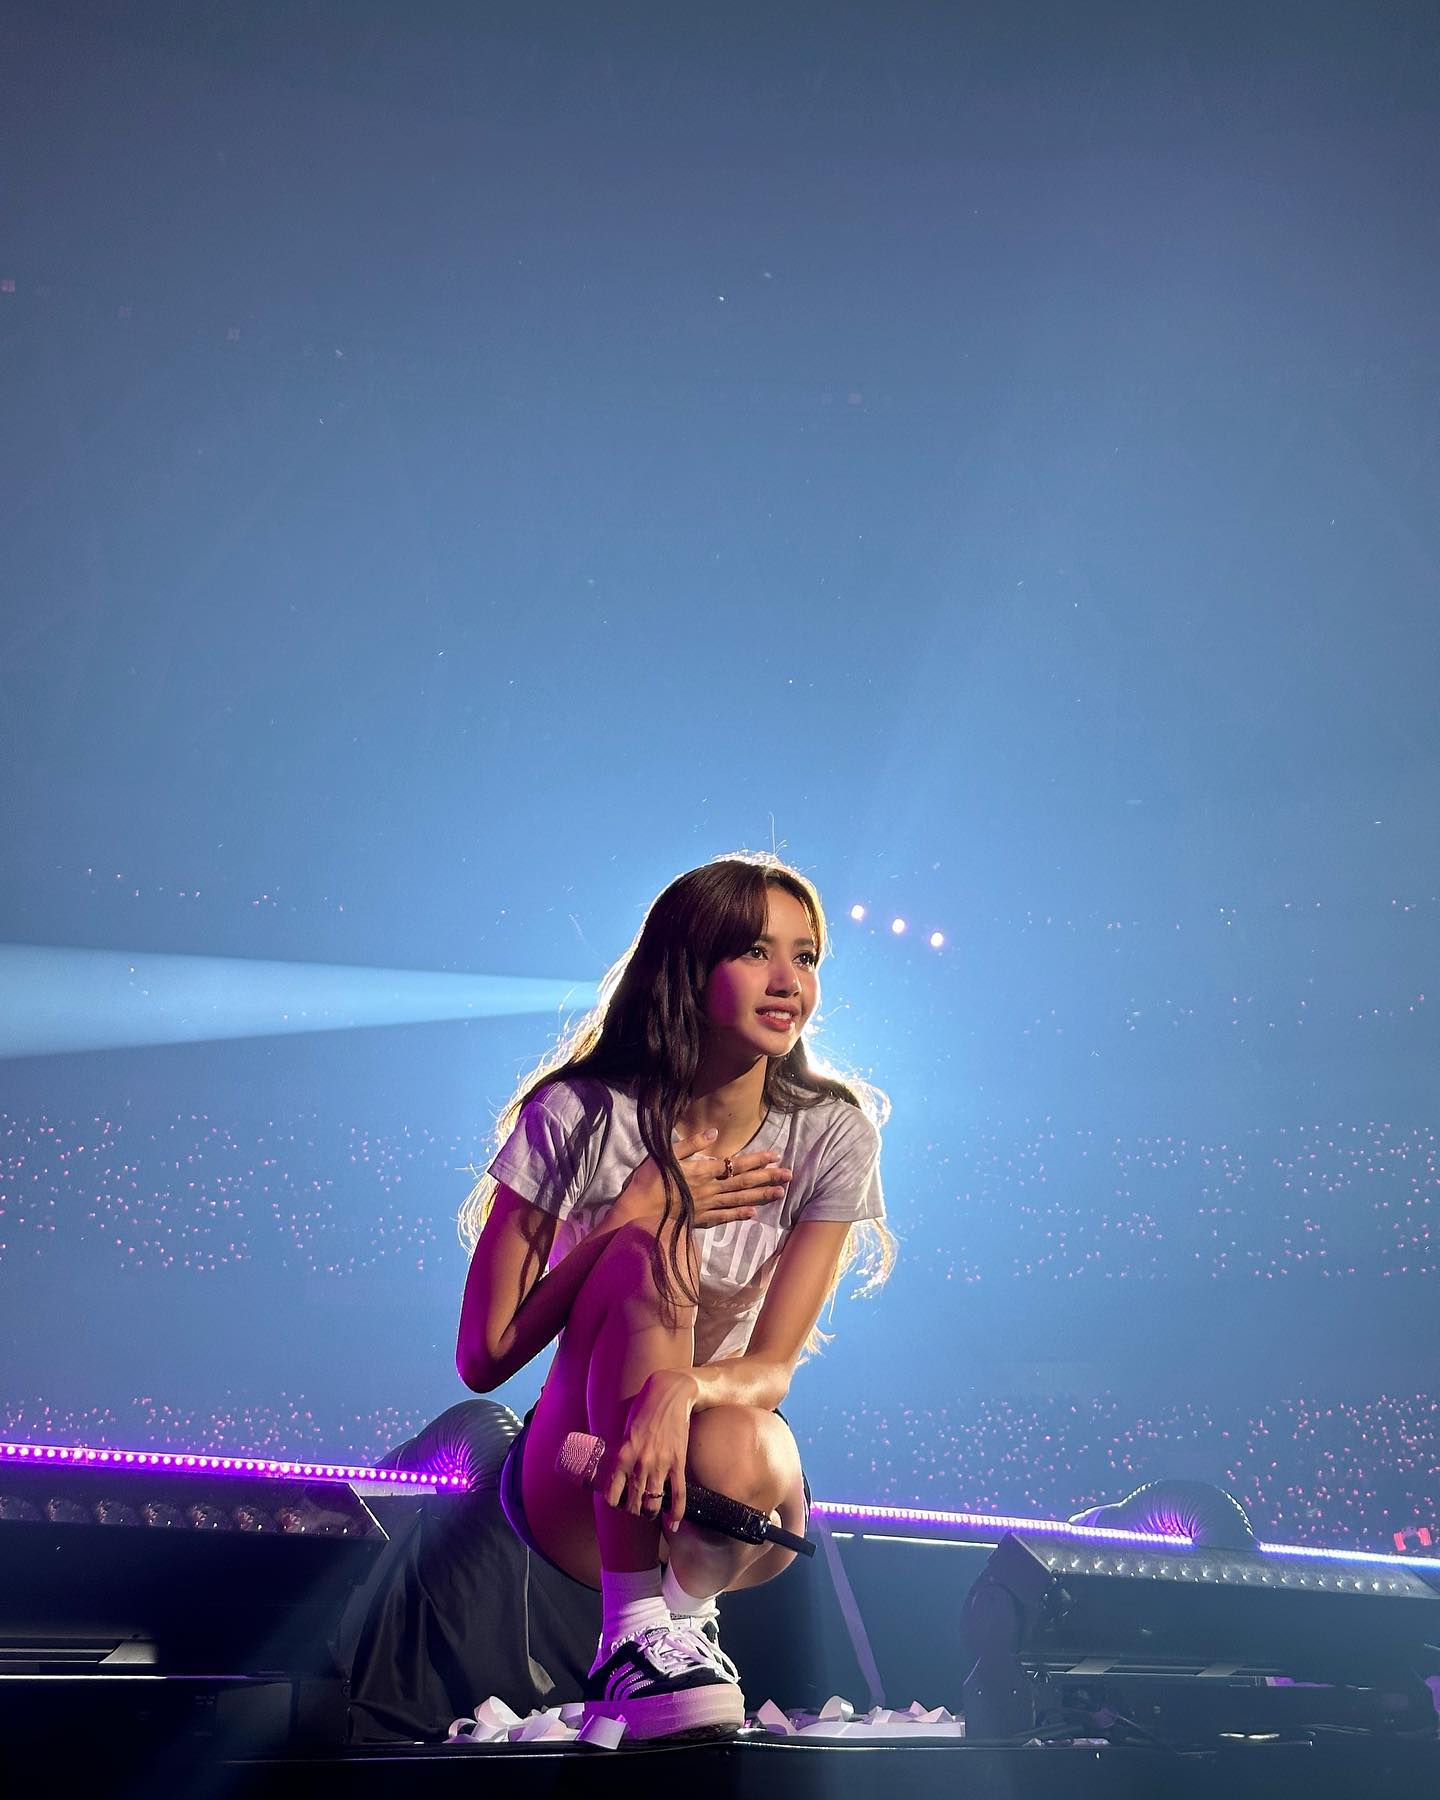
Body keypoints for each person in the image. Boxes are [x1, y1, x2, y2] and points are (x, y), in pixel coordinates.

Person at [456, 853, 891, 1740]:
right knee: (647, 1250)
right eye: (755, 952)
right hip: (580, 1468)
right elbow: (484, 1357)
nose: (788, 981)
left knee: (757, 1436)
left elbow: (772, 1368)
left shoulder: (832, 1132)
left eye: (805, 956)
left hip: (720, 1483)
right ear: (688, 969)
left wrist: (681, 1386)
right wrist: (629, 1219)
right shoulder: (577, 1115)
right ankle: (629, 1631)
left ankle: (682, 1623)